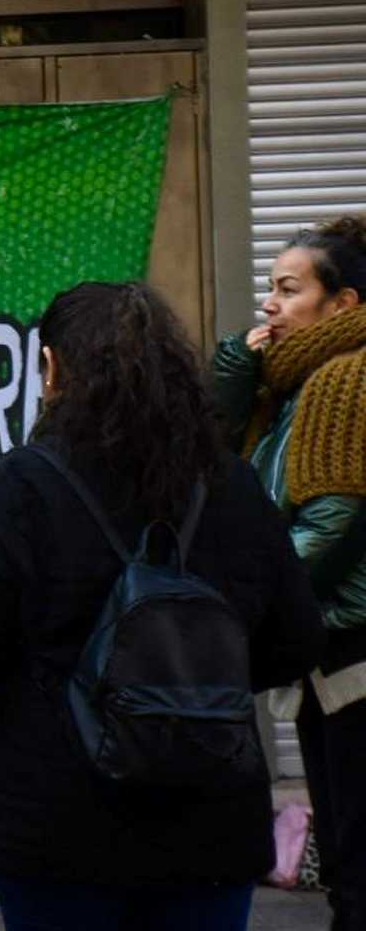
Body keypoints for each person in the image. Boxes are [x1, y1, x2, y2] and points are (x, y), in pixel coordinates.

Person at [0, 282, 325, 931]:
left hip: (53, 821)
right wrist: (190, 681)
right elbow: (296, 640)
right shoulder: (234, 485)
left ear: (52, 367)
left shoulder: (19, 485)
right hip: (209, 819)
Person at [212, 214, 366, 931]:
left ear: (344, 305)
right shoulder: (289, 390)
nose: (269, 303)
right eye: (268, 287)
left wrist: (244, 606)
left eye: (288, 287)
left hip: (356, 660)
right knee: (342, 861)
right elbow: (207, 455)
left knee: (358, 865)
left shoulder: (349, 381)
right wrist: (239, 369)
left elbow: (330, 524)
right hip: (320, 657)